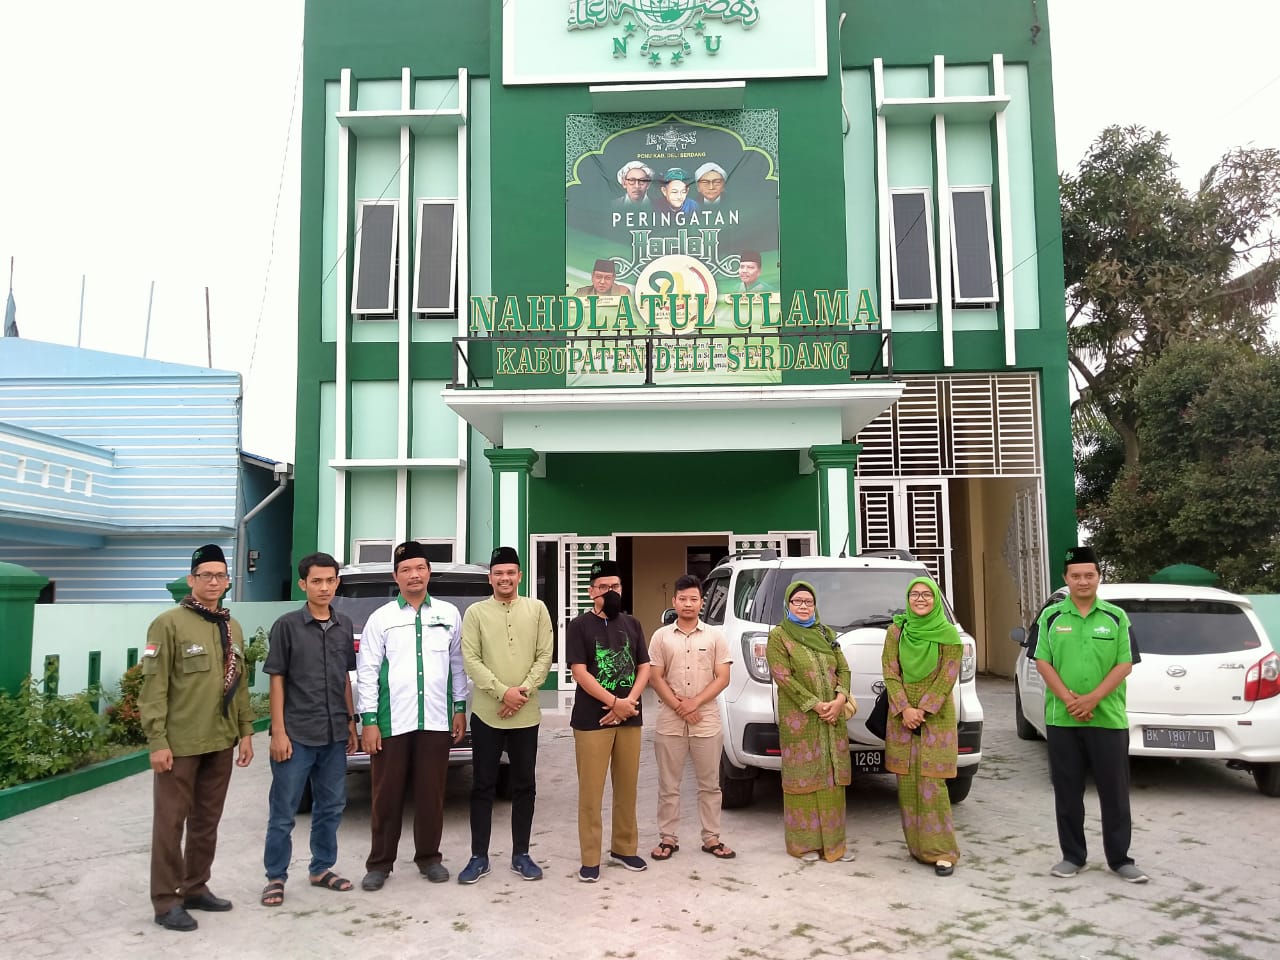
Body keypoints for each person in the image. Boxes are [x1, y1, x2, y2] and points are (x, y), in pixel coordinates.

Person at [139, 543, 255, 932]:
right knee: (170, 824)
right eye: (206, 575)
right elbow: (153, 687)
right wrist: (157, 741)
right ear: (192, 580)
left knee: (207, 821)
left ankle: (195, 887)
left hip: (220, 741)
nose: (214, 582)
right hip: (180, 744)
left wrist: (245, 732)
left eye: (220, 576)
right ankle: (165, 900)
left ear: (228, 581)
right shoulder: (168, 624)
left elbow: (239, 685)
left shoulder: (232, 626)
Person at [356, 540, 468, 891]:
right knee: (386, 795)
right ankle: (379, 863)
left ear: (429, 572)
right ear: (396, 576)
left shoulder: (449, 614)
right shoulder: (382, 618)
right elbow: (367, 671)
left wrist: (459, 708)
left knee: (431, 793)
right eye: (405, 569)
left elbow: (458, 665)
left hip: (436, 718)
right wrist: (368, 721)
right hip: (393, 720)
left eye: (420, 568)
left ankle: (429, 858)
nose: (414, 575)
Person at [1033, 546, 1148, 883]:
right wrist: (1070, 700)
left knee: (1115, 793)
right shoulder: (1051, 617)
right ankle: (1073, 856)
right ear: (1066, 578)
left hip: (1107, 718)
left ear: (1099, 577)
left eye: (1089, 575)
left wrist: (1092, 699)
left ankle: (1120, 860)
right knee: (1067, 793)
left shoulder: (1116, 616)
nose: (1083, 581)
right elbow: (1042, 662)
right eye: (1076, 576)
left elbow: (1125, 664)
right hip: (1062, 719)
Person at [260, 552, 359, 907]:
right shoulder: (287, 626)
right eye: (316, 581)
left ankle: (321, 868)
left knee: (331, 806)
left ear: (337, 582)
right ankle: (275, 876)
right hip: (297, 734)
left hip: (334, 734)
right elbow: (277, 679)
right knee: (284, 812)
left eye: (330, 580)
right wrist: (279, 731)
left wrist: (351, 722)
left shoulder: (344, 625)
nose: (324, 587)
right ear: (303, 584)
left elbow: (345, 677)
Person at [458, 546, 555, 884]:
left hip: (526, 715)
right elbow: (471, 660)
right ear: (490, 578)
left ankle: (521, 854)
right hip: (487, 714)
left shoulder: (537, 609)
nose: (505, 578)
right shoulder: (475, 613)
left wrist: (520, 693)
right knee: (482, 785)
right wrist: (504, 693)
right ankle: (478, 857)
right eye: (498, 573)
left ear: (520, 576)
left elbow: (545, 656)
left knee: (524, 785)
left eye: (510, 572)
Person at [567, 559, 651, 882]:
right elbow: (579, 672)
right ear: (592, 592)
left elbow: (644, 666)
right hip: (592, 721)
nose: (610, 592)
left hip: (630, 717)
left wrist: (629, 703)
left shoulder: (633, 624)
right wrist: (615, 702)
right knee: (591, 793)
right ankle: (590, 857)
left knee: (627, 788)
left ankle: (624, 848)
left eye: (615, 586)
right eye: (603, 587)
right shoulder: (579, 626)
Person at [647, 574, 734, 862]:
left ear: (701, 602)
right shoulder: (661, 636)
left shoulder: (715, 636)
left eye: (693, 599)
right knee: (668, 785)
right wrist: (679, 706)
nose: (688, 604)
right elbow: (655, 677)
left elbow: (723, 677)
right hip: (669, 719)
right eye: (682, 599)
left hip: (705, 719)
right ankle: (668, 838)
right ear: (674, 602)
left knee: (710, 785)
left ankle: (712, 838)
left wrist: (694, 703)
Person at [765, 581, 854, 863]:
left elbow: (844, 669)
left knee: (831, 779)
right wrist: (815, 704)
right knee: (802, 779)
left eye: (809, 602)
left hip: (832, 718)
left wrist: (839, 699)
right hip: (800, 720)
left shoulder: (825, 633)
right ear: (788, 605)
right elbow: (783, 677)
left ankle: (834, 847)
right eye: (797, 602)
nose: (803, 607)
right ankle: (803, 846)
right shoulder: (779, 636)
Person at [882, 577, 963, 877]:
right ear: (907, 598)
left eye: (927, 594)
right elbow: (890, 671)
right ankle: (918, 849)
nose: (920, 599)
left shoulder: (948, 634)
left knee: (933, 784)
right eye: (914, 594)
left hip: (936, 719)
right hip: (901, 716)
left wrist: (923, 709)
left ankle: (942, 852)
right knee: (906, 785)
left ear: (936, 600)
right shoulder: (896, 631)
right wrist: (905, 708)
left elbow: (948, 676)